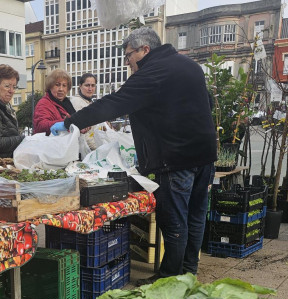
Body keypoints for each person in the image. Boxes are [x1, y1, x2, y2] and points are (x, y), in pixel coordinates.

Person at [51, 27, 217, 283]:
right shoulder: (189, 66)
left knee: (174, 222)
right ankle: (188, 272)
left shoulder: (153, 72)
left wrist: (70, 121)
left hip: (176, 160)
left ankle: (171, 278)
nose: (127, 62)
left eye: (129, 56)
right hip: (204, 157)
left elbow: (115, 102)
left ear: (145, 50)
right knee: (195, 217)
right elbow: (208, 103)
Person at [33, 69, 76, 135]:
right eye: (57, 85)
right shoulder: (44, 103)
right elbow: (40, 126)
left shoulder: (67, 103)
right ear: (50, 86)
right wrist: (65, 122)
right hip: (50, 143)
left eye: (64, 85)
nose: (61, 89)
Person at [69, 73, 100, 151]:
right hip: (82, 149)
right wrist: (96, 148)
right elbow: (84, 132)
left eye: (93, 85)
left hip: (89, 147)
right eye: (87, 85)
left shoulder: (89, 102)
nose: (90, 89)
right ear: (80, 86)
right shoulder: (76, 102)